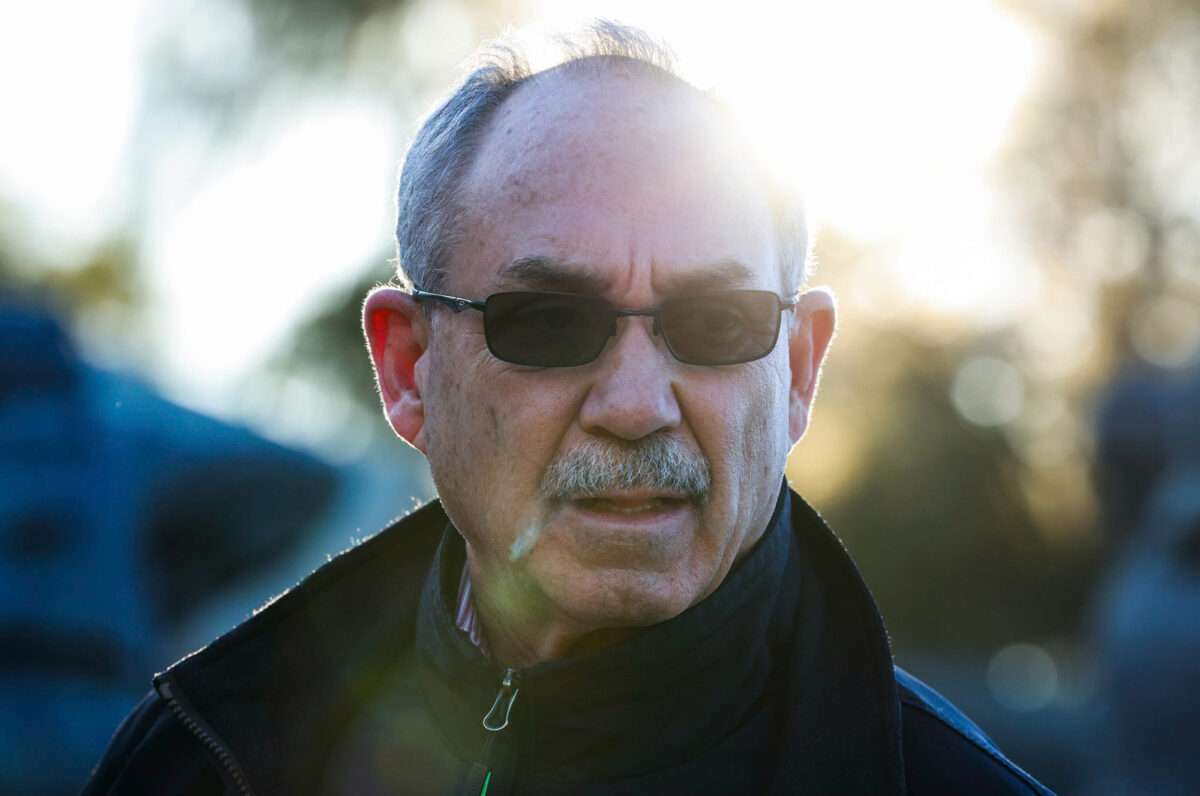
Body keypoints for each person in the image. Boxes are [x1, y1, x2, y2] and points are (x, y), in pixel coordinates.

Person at [83, 22, 1053, 796]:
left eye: (715, 321)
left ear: (798, 370)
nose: (635, 407)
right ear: (409, 369)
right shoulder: (200, 760)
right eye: (549, 323)